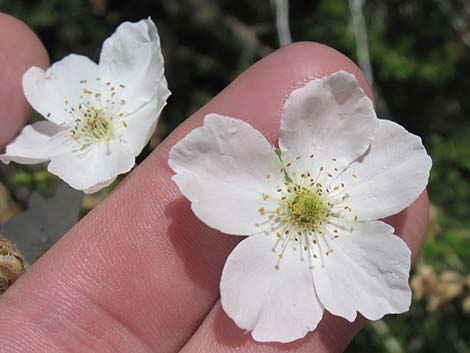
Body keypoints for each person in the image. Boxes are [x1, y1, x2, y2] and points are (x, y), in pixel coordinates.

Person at [0, 13, 429, 353]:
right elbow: (208, 170)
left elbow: (396, 164)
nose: (306, 207)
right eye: (304, 205)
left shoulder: (350, 184)